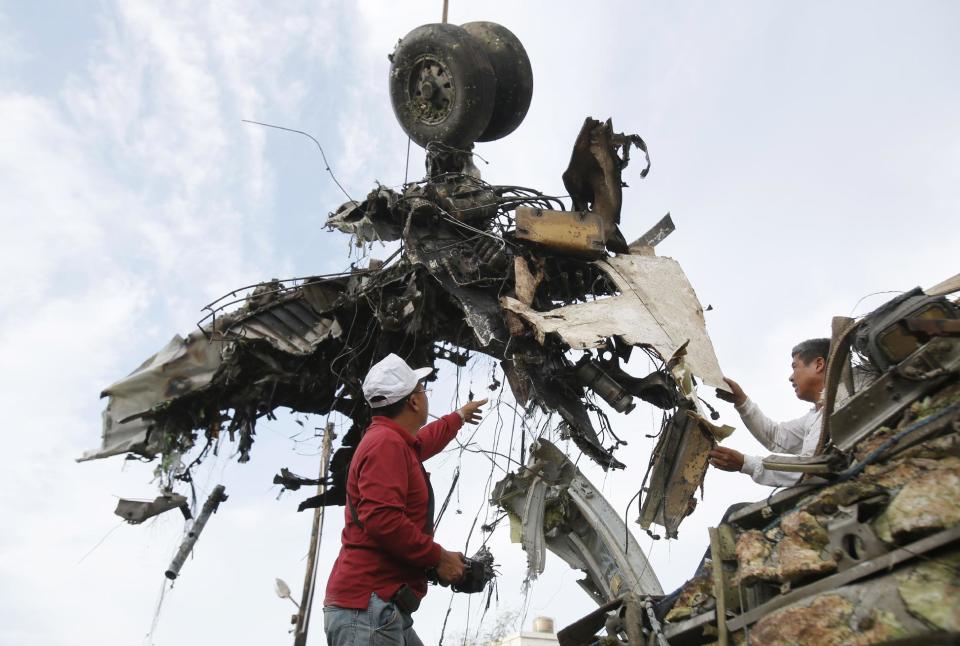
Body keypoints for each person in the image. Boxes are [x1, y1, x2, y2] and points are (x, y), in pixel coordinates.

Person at [323, 353, 487, 646]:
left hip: (378, 609)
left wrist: (458, 417)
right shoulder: (386, 445)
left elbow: (423, 442)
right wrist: (439, 557)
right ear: (413, 401)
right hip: (367, 610)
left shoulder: (392, 442)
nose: (425, 396)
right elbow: (382, 521)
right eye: (423, 390)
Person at [708, 338, 830, 487]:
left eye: (794, 367)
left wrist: (745, 463)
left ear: (819, 365)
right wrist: (742, 402)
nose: (791, 377)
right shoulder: (814, 416)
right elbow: (776, 436)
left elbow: (811, 469)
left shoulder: (841, 406)